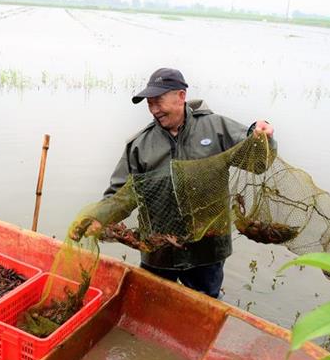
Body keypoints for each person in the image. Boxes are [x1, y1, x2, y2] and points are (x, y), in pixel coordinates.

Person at [72, 68, 275, 299]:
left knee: (205, 305)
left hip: (206, 251)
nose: (154, 109)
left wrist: (263, 135)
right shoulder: (139, 145)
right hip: (158, 251)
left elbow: (257, 163)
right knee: (150, 304)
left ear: (181, 96)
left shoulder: (216, 128)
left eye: (158, 101)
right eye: (149, 104)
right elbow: (121, 195)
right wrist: (100, 218)